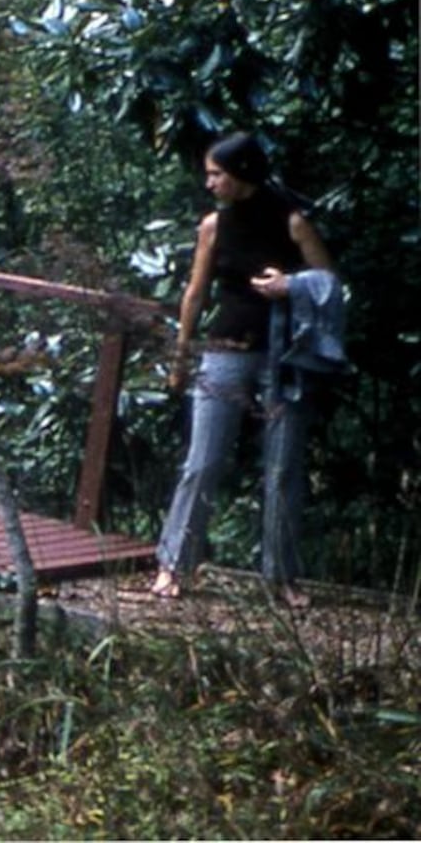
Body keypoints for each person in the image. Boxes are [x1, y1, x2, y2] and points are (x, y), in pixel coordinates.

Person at [150, 132, 341, 607]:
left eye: (217, 173)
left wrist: (291, 284)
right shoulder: (214, 226)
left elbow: (331, 284)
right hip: (225, 351)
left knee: (282, 469)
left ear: (242, 174)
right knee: (203, 462)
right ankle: (173, 566)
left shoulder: (292, 222)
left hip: (284, 358)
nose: (209, 182)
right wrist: (180, 357)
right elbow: (194, 294)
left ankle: (281, 577)